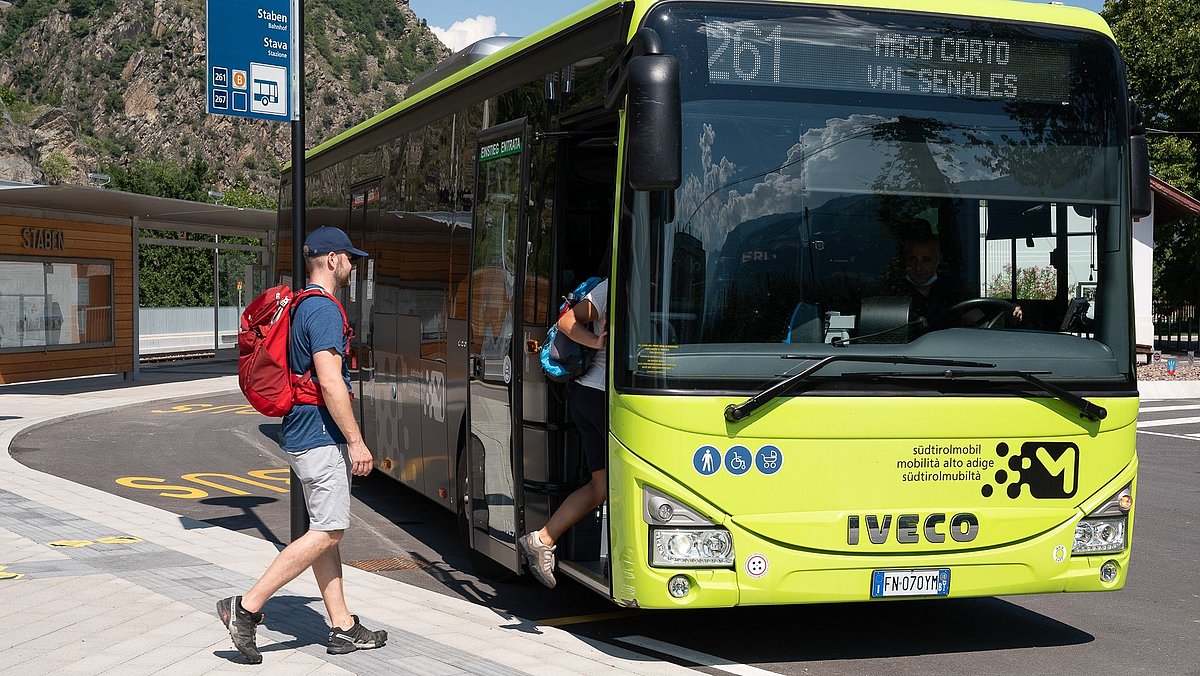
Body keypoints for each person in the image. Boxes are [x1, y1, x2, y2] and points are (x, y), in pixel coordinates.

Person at [217, 226, 387, 663]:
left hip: (299, 431)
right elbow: (331, 383)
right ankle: (247, 608)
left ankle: (343, 626)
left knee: (324, 532)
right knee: (329, 530)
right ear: (332, 260)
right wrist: (356, 441)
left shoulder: (297, 305)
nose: (351, 265)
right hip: (319, 434)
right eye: (349, 257)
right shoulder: (325, 310)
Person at [518, 277, 609, 589]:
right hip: (598, 396)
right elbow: (567, 320)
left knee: (601, 487)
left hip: (591, 397)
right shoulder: (612, 285)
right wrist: (597, 343)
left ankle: (541, 539)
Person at [899, 232, 1021, 329]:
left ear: (938, 259)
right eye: (913, 259)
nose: (918, 267)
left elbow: (981, 325)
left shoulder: (953, 292)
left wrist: (1009, 314)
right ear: (905, 259)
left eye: (926, 260)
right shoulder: (892, 292)